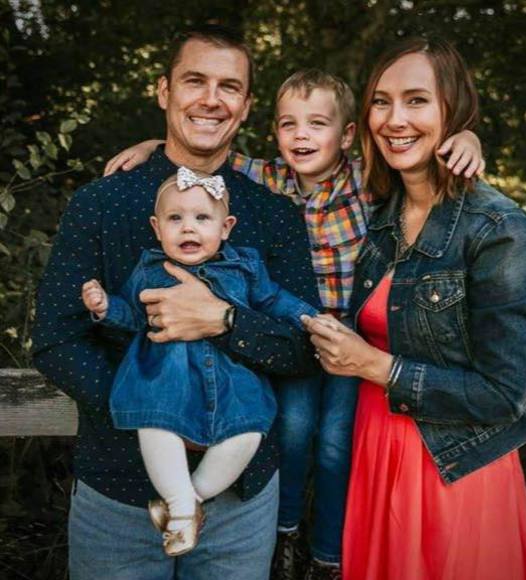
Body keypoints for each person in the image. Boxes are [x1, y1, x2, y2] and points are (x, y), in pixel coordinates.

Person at [104, 69, 484, 579]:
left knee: (334, 444)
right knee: (293, 429)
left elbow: (421, 165)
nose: (301, 135)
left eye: (317, 124)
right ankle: (283, 533)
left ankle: (327, 555)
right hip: (294, 332)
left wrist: (466, 138)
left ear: (346, 135)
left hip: (350, 336)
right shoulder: (272, 177)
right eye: (289, 124)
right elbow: (204, 156)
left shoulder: (366, 179)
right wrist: (155, 145)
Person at [32, 24, 321, 580]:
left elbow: (304, 348)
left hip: (240, 498)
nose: (211, 99)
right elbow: (57, 337)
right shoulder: (101, 203)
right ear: (165, 91)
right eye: (195, 81)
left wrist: (225, 320)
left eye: (229, 87)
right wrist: (155, 409)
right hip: (119, 492)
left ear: (246, 106)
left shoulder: (274, 214)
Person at [301, 37, 526, 580]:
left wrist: (374, 365)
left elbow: (506, 393)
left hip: (452, 468)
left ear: (452, 109)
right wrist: (164, 149)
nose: (395, 119)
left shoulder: (500, 230)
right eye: (381, 101)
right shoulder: (376, 212)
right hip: (372, 454)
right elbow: (275, 168)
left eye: (416, 100)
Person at [82, 168, 318, 557]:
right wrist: (106, 307)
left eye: (202, 218)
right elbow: (133, 315)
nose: (188, 228)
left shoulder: (245, 266)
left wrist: (308, 316)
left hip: (233, 382)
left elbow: (275, 300)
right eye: (175, 218)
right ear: (157, 228)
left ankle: (191, 499)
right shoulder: (149, 270)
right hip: (164, 378)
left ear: (226, 228)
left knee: (249, 431)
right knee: (154, 425)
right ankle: (178, 504)